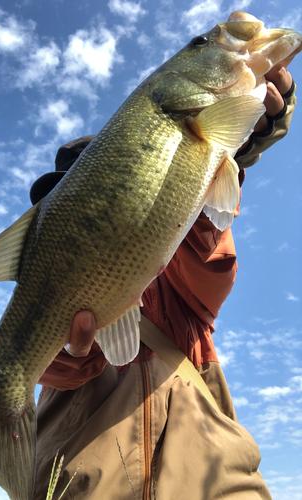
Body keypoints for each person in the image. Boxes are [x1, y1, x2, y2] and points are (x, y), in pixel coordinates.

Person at [30, 64, 296, 500]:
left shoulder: (183, 295)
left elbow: (202, 232)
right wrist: (63, 352)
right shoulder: (51, 291)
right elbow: (51, 364)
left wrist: (227, 143)